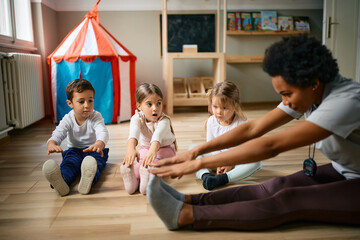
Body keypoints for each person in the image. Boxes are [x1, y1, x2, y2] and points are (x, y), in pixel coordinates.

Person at [146, 34, 360, 230]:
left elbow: (271, 145)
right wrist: (195, 152)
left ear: (313, 83)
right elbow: (254, 128)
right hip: (345, 169)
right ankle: (188, 201)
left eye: (287, 94)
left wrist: (200, 163)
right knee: (276, 185)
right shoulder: (313, 92)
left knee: (289, 198)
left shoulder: (346, 102)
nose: (284, 102)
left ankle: (186, 216)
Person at [43, 78, 109, 196]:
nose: (87, 105)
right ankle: (62, 181)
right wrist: (52, 143)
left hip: (93, 150)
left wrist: (99, 143)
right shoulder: (68, 119)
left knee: (96, 163)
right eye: (81, 101)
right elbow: (59, 132)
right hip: (74, 151)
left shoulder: (96, 116)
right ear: (70, 103)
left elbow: (102, 131)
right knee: (69, 165)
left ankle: (88, 181)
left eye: (90, 100)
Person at [195, 81, 262, 190]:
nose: (218, 112)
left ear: (235, 106)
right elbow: (211, 146)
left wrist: (230, 163)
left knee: (256, 162)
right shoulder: (211, 121)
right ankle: (206, 176)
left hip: (237, 160)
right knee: (193, 150)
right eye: (215, 107)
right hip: (216, 159)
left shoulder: (241, 124)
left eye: (224, 108)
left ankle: (223, 178)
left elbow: (243, 150)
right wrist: (219, 162)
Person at [120, 83, 176, 195]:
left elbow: (157, 137)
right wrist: (131, 149)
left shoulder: (164, 121)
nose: (155, 108)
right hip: (146, 149)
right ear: (139, 106)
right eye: (149, 104)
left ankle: (146, 183)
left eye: (158, 103)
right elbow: (133, 134)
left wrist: (152, 151)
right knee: (139, 167)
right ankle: (132, 184)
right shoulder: (136, 118)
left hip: (165, 150)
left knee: (154, 163)